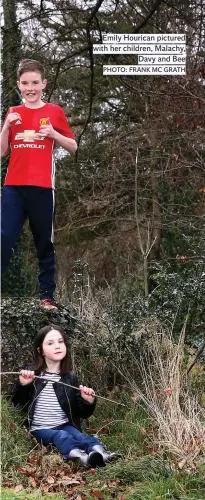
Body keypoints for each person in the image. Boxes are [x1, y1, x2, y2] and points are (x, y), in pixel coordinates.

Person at [1, 59, 77, 310]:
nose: (30, 87)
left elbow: (73, 146)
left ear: (43, 84)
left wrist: (54, 135)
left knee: (44, 242)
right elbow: (2, 152)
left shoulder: (54, 111)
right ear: (18, 86)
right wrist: (6, 128)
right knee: (4, 238)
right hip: (14, 187)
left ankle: (46, 296)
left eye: (35, 82)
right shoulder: (13, 112)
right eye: (25, 83)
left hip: (43, 188)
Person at [11, 324, 118, 468]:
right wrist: (22, 385)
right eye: (50, 343)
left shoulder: (70, 377)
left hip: (64, 424)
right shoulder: (31, 372)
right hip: (40, 428)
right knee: (62, 436)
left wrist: (89, 402)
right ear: (40, 350)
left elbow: (81, 413)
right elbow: (17, 404)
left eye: (61, 342)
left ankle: (102, 454)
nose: (57, 346)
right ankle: (82, 458)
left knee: (81, 436)